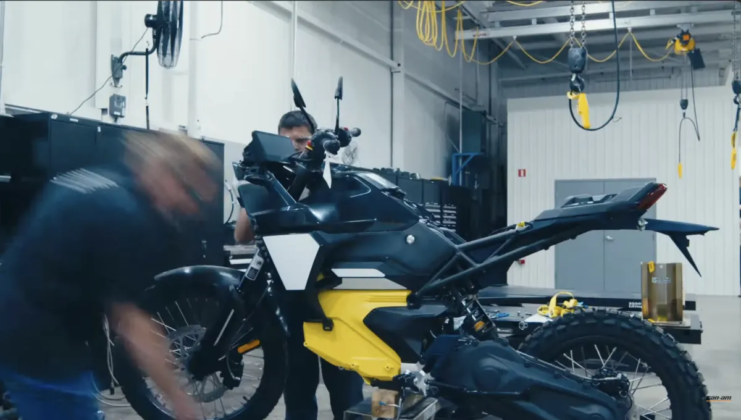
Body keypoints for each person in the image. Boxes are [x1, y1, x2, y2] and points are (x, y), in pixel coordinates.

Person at [0, 130, 222, 420]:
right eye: (191, 194)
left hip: (20, 319)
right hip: (39, 347)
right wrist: (181, 402)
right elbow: (133, 326)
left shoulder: (104, 181)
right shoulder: (123, 216)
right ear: (166, 174)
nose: (192, 209)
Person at [233, 110, 365, 420]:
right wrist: (262, 191)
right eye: (288, 141)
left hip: (334, 296)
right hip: (289, 295)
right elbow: (241, 235)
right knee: (297, 386)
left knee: (346, 388)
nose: (295, 147)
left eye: (302, 140)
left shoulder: (333, 179)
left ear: (314, 142)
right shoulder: (269, 181)